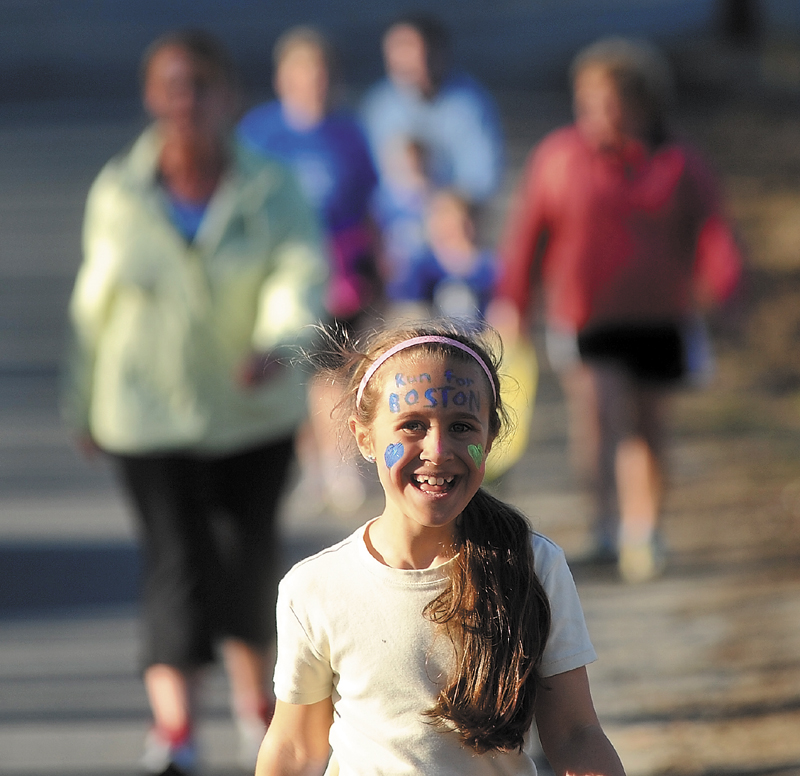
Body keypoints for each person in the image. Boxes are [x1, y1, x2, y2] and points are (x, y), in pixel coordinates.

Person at [60, 30, 327, 775]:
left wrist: (280, 340)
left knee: (248, 563)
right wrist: (80, 400)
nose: (188, 101)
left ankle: (257, 710)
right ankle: (176, 733)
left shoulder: (272, 185)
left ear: (228, 96)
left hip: (252, 414)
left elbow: (301, 271)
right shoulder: (121, 190)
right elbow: (94, 302)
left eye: (201, 85)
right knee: (176, 564)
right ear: (153, 96)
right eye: (173, 86)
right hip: (148, 416)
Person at [255, 320, 626, 776]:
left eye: (462, 427)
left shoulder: (533, 566)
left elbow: (575, 735)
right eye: (411, 425)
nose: (437, 449)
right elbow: (294, 747)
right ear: (364, 437)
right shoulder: (315, 587)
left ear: (489, 440)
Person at [490, 37, 743, 582]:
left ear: (644, 102)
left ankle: (644, 530)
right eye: (587, 102)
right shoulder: (559, 157)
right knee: (602, 418)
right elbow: (528, 232)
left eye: (611, 102)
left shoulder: (679, 163)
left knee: (649, 427)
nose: (598, 115)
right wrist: (514, 301)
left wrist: (728, 291)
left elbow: (715, 232)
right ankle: (605, 525)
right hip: (586, 315)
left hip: (660, 315)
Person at [238, 26, 380, 514]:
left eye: (321, 74)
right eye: (302, 74)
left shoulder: (349, 134)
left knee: (332, 370)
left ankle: (339, 469)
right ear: (283, 78)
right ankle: (312, 466)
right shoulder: (259, 134)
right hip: (281, 271)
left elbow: (367, 206)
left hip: (339, 270)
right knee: (293, 369)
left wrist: (369, 268)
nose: (312, 84)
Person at [360, 13, 504, 206]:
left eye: (410, 48)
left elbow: (482, 179)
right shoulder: (379, 105)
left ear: (437, 52)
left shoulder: (468, 104)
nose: (402, 59)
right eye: (395, 50)